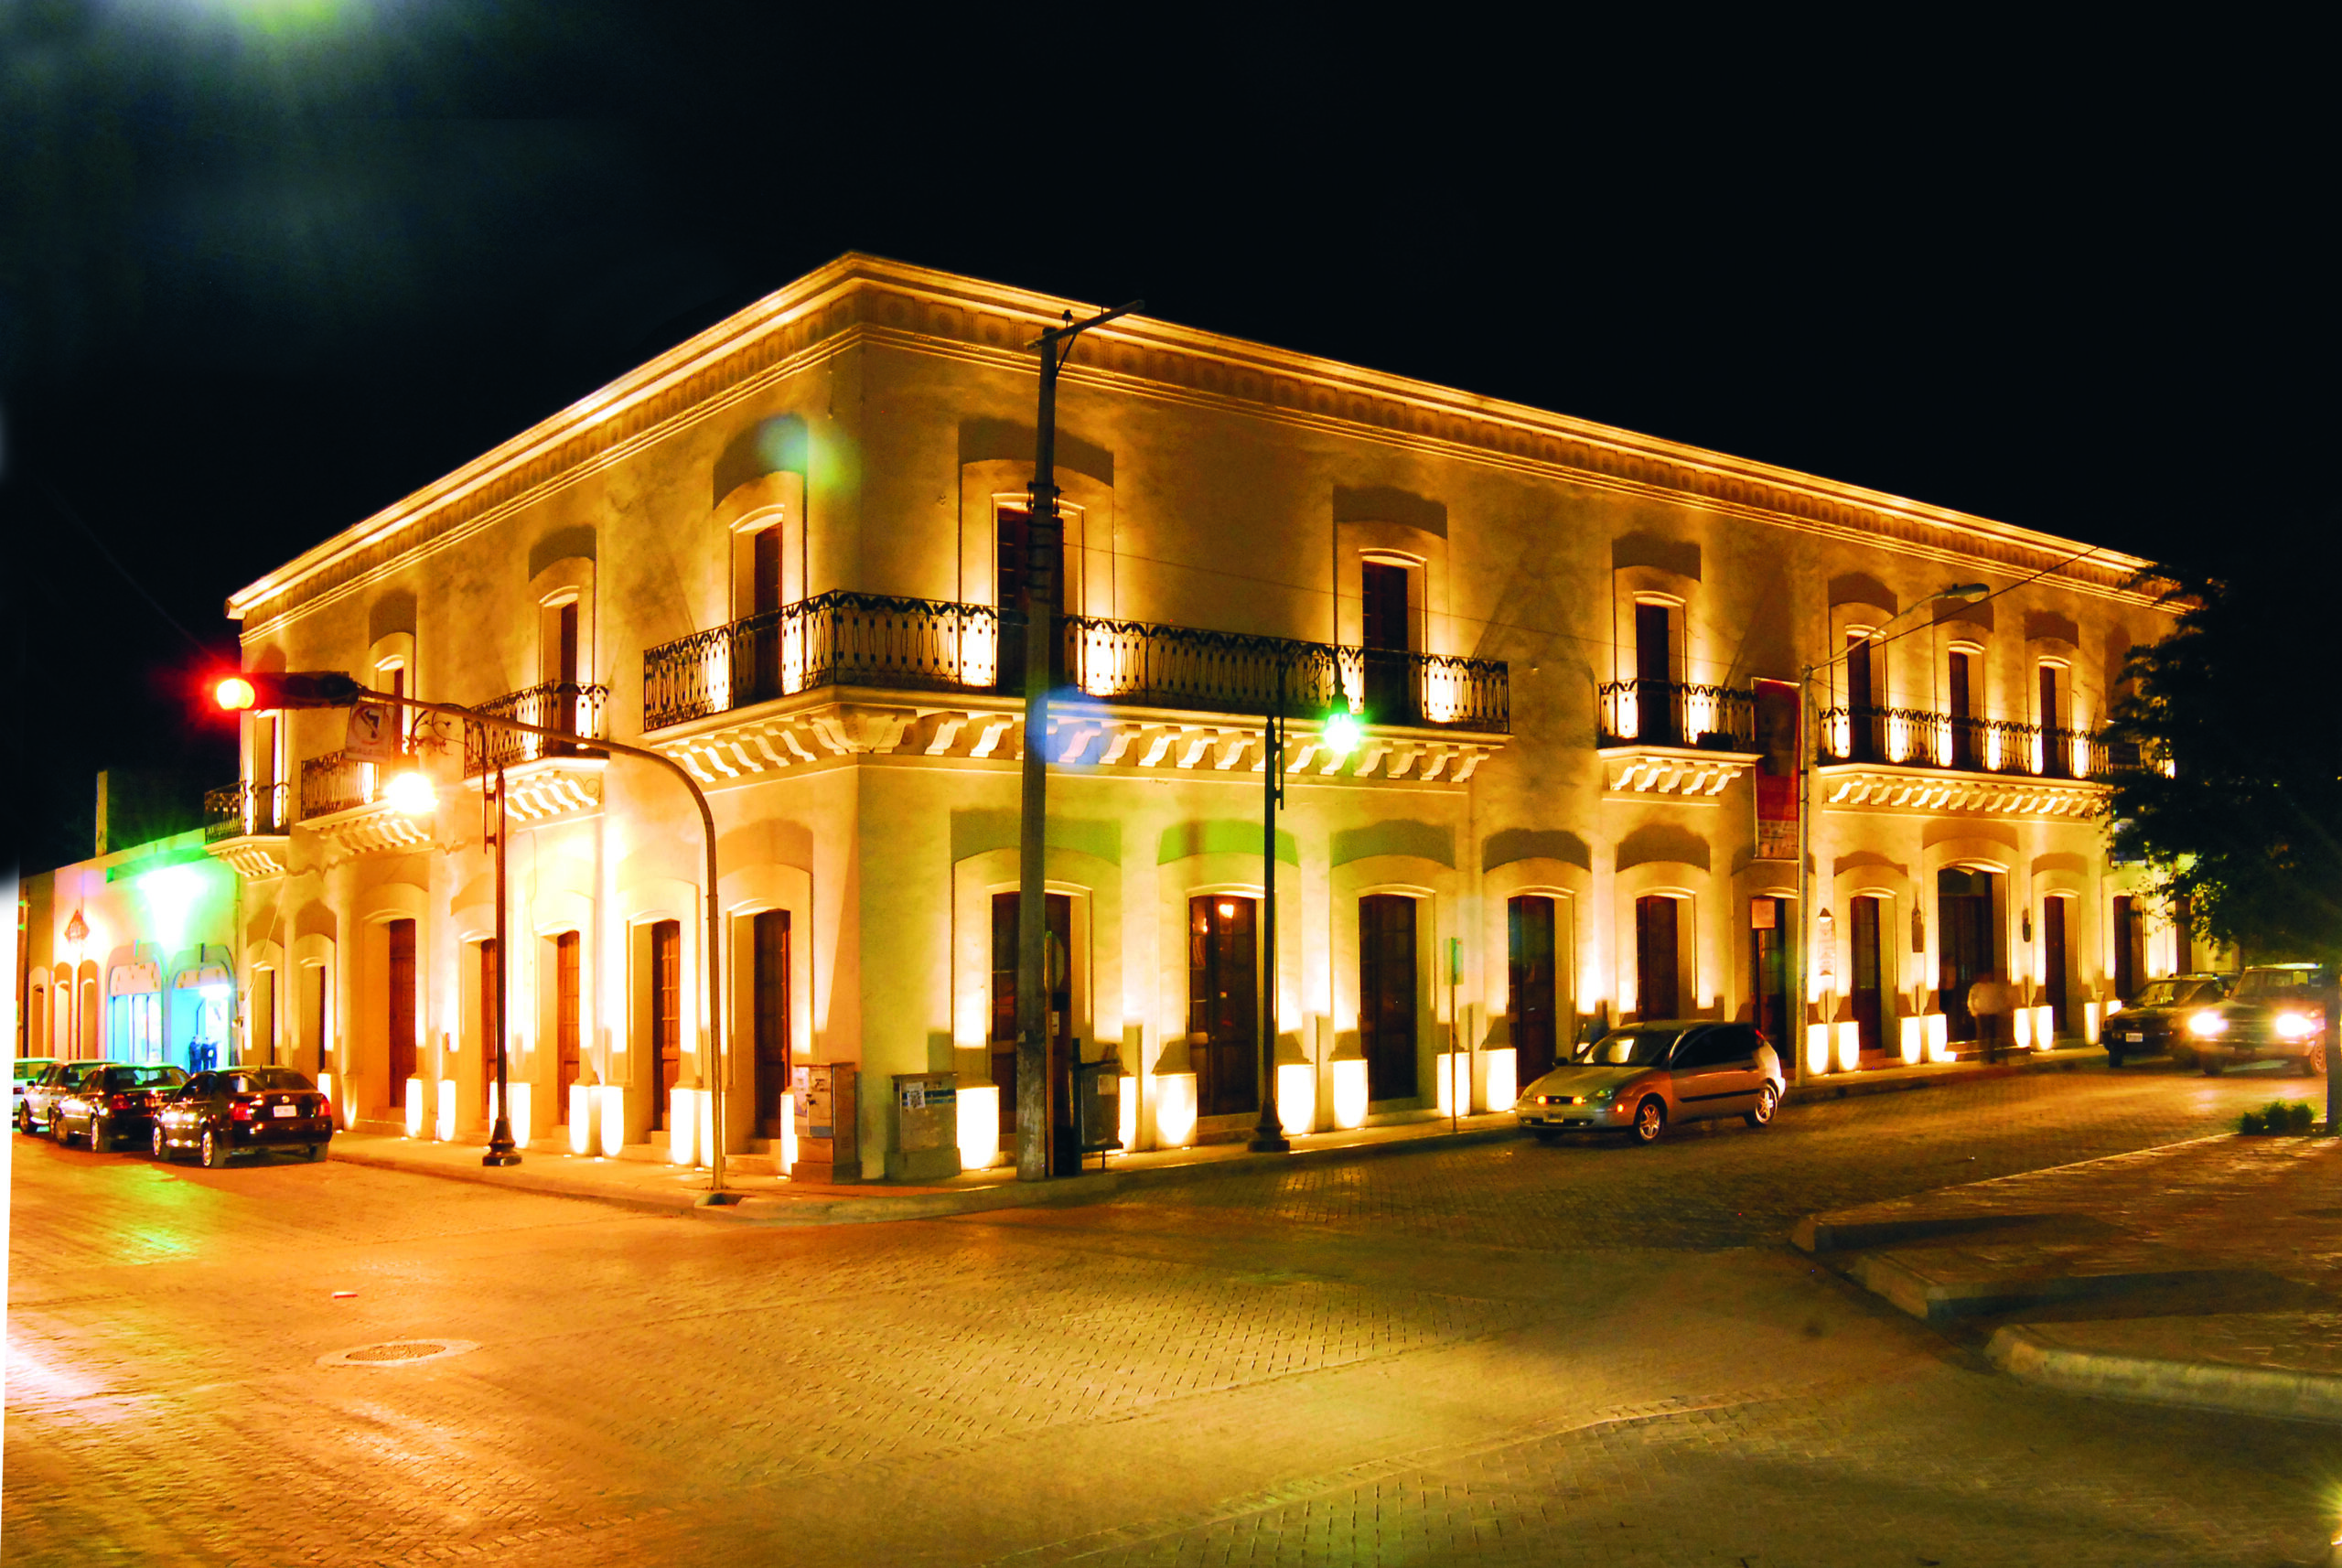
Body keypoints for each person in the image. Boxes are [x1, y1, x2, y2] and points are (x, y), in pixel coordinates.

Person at [1967, 972, 2010, 1064]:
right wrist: (1974, 1012)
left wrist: (2001, 1010)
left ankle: (1991, 1056)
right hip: (1981, 1014)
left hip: (1992, 1014)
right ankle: (1982, 1056)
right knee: (1982, 1036)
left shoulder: (1994, 987)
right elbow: (1971, 1000)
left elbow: (1999, 999)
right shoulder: (1976, 988)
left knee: (1991, 1037)